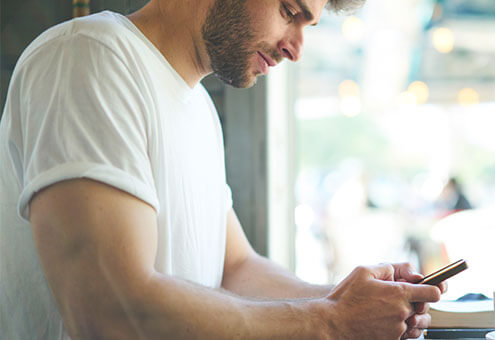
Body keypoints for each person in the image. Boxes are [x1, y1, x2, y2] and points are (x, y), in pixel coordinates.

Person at [0, 0, 446, 339]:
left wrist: (350, 299)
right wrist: (330, 322)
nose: (296, 48)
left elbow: (236, 268)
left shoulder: (200, 111)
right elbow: (106, 308)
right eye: (289, 11)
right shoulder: (89, 57)